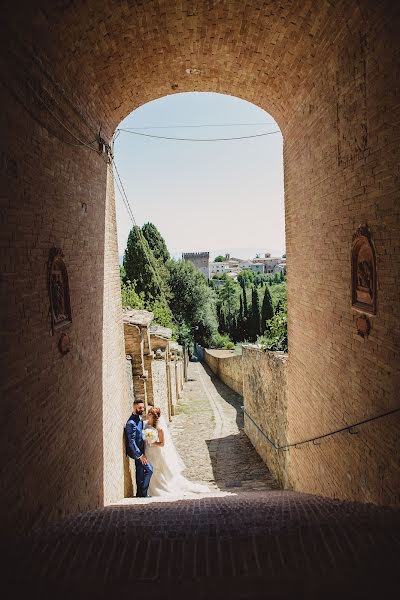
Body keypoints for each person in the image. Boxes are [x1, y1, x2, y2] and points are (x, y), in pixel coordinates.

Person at [143, 406, 209, 497]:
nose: (147, 415)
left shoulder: (159, 429)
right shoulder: (144, 424)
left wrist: (153, 443)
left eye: (150, 414)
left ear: (154, 417)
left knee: (156, 471)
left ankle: (159, 490)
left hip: (156, 453)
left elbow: (162, 444)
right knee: (150, 470)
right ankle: (150, 490)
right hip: (147, 452)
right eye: (148, 413)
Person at [125, 399, 153, 497]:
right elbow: (131, 442)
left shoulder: (140, 418)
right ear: (134, 407)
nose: (142, 409)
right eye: (140, 407)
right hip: (136, 453)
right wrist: (140, 455)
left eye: (142, 407)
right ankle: (143, 494)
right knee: (150, 470)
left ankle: (139, 494)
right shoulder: (131, 423)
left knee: (140, 472)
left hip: (142, 450)